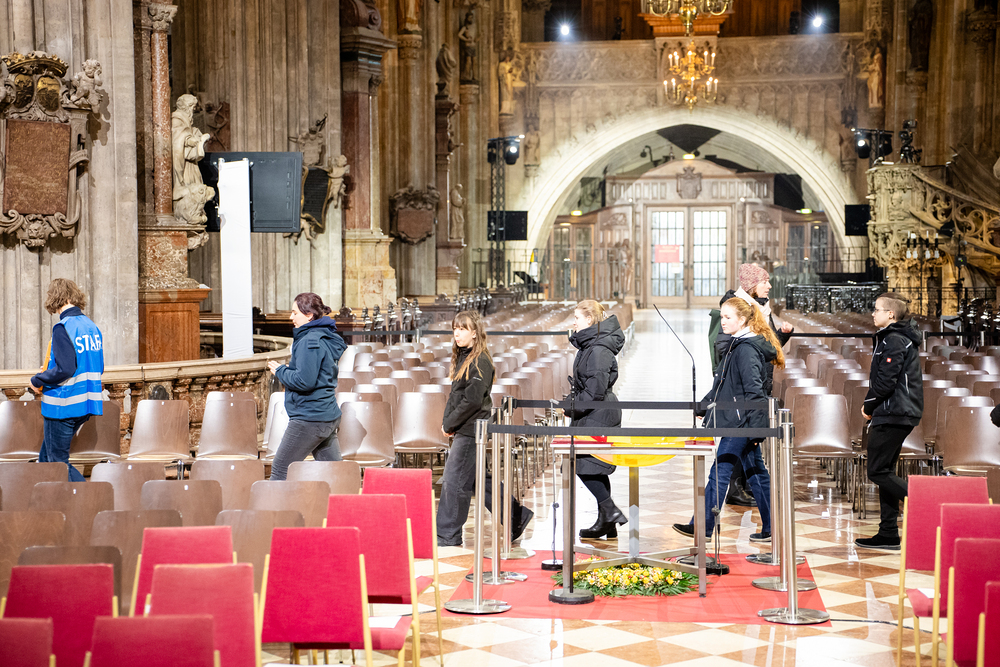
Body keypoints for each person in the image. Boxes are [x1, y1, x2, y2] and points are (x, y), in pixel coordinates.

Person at [673, 297, 781, 541]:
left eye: (727, 317)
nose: (722, 322)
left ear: (742, 320)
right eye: (722, 316)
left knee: (720, 472)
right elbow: (724, 384)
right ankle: (771, 528)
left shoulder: (746, 349)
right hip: (741, 420)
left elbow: (755, 391)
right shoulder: (738, 344)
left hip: (741, 423)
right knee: (756, 473)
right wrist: (704, 407)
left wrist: (756, 430)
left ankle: (702, 526)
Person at [436, 310, 533, 547]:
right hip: (464, 427)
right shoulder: (464, 357)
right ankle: (516, 517)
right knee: (479, 480)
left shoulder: (480, 361)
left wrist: (450, 423)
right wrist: (448, 421)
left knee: (453, 482)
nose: (457, 333)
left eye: (463, 329)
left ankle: (447, 534)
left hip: (471, 429)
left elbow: (472, 401)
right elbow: (456, 396)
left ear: (475, 333)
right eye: (455, 329)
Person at [712, 263, 793, 508]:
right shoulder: (737, 310)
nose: (769, 285)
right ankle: (732, 493)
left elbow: (766, 347)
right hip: (742, 392)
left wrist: (782, 335)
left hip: (755, 384)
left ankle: (763, 512)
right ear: (751, 285)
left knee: (751, 460)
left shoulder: (761, 308)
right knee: (729, 461)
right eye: (764, 281)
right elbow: (724, 347)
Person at [855, 292, 922, 552]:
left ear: (890, 314)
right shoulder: (894, 337)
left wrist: (868, 405)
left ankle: (924, 502)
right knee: (886, 472)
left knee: (877, 471)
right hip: (895, 412)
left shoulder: (894, 339)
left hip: (894, 412)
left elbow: (886, 382)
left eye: (877, 309)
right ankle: (888, 533)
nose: (873, 314)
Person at [30, 279, 105, 482]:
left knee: (57, 465)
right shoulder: (91, 326)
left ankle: (90, 495)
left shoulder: (63, 327)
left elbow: (66, 369)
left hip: (63, 404)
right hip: (86, 403)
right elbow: (98, 366)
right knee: (46, 459)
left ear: (56, 298)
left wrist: (38, 379)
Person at [266, 293, 347, 481]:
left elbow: (304, 381)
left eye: (295, 313)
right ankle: (344, 500)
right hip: (326, 416)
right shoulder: (323, 336)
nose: (291, 317)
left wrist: (280, 371)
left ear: (309, 315)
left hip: (310, 418)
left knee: (281, 470)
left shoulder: (309, 341)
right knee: (335, 475)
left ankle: (273, 503)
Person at [565, 300, 627, 540]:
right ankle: (606, 523)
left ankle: (610, 510)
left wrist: (571, 407)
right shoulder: (591, 344)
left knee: (583, 463)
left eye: (577, 318)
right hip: (594, 412)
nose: (574, 322)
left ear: (589, 320)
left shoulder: (598, 349)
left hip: (598, 413)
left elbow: (594, 392)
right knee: (595, 467)